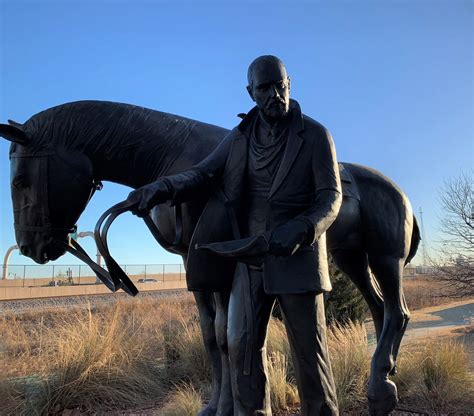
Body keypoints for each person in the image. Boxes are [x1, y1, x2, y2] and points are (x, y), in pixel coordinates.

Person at [127, 55, 341, 416]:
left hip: (297, 260)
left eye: (281, 85)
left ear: (290, 83)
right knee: (241, 347)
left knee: (310, 356)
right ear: (250, 92)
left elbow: (331, 198)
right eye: (265, 88)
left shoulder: (315, 135)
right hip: (251, 258)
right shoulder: (240, 138)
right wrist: (159, 189)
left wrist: (300, 230)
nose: (275, 94)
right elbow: (202, 174)